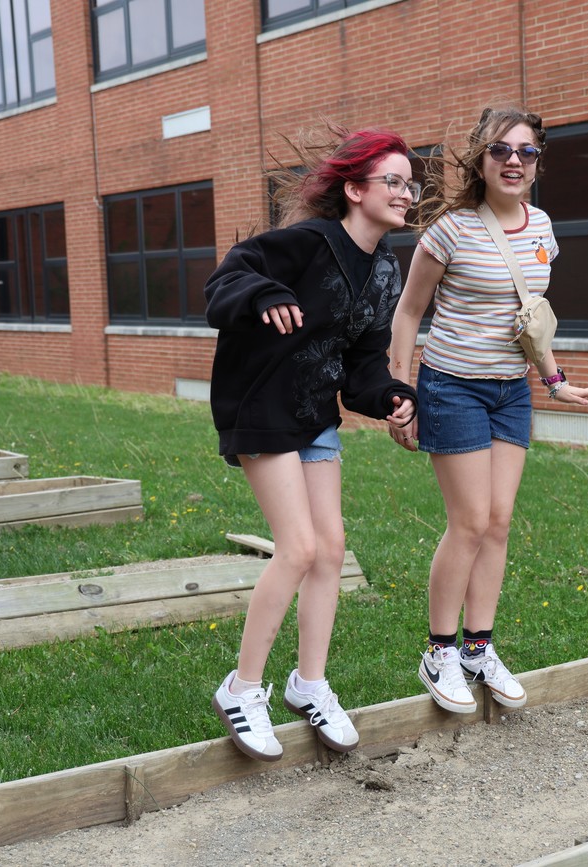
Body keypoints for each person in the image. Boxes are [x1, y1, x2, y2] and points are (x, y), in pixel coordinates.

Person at [387, 105, 588, 714]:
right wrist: (400, 394)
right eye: (501, 150)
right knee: (469, 521)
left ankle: (478, 648)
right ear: (480, 158)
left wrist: (555, 380)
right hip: (452, 385)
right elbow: (409, 314)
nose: (514, 161)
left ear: (538, 162)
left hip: (511, 390)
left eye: (527, 152)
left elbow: (529, 323)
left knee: (499, 521)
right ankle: (438, 651)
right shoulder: (450, 230)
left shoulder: (542, 228)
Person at [205, 125, 419, 760]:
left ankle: (310, 684)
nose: (407, 193)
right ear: (355, 189)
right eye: (393, 182)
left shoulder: (385, 269)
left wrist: (388, 395)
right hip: (262, 407)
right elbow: (225, 281)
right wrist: (265, 291)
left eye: (411, 184)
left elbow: (363, 364)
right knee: (296, 548)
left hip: (316, 414)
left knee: (330, 549)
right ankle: (242, 689)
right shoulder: (305, 244)